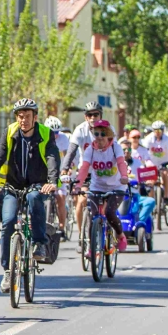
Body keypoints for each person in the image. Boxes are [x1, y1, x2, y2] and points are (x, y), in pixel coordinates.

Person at [0, 98, 60, 293]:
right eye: (20, 116)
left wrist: (52, 181)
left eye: (27, 116)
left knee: (34, 198)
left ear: (35, 117)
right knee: (8, 221)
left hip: (37, 184)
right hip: (12, 185)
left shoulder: (45, 133)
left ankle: (39, 243)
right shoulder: (10, 132)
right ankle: (7, 271)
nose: (23, 120)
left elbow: (52, 157)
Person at [73, 120, 129, 252]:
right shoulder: (90, 150)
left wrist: (124, 176)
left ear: (109, 135)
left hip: (116, 187)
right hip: (97, 187)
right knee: (93, 216)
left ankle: (120, 236)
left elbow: (121, 163)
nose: (99, 137)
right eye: (96, 134)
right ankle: (92, 249)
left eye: (103, 134)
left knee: (109, 212)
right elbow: (84, 168)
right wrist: (78, 185)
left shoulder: (115, 147)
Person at [61, 102, 103, 241]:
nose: (93, 117)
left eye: (96, 114)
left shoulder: (108, 129)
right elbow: (71, 151)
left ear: (100, 116)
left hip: (104, 172)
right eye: (89, 115)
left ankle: (108, 233)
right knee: (81, 201)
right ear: (85, 117)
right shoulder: (80, 130)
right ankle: (81, 236)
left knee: (107, 204)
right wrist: (65, 169)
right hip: (86, 173)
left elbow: (115, 151)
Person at [142, 120, 168, 205]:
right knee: (150, 182)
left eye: (159, 130)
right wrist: (143, 163)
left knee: (165, 174)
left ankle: (166, 196)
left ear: (163, 131)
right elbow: (144, 151)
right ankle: (151, 201)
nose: (157, 133)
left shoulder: (167, 139)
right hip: (152, 162)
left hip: (164, 162)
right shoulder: (149, 138)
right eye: (155, 130)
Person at [45, 116, 70, 236]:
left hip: (59, 172)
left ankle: (61, 227)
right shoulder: (42, 137)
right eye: (52, 132)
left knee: (60, 197)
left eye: (57, 132)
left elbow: (67, 156)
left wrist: (66, 170)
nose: (55, 135)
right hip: (45, 172)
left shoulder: (63, 138)